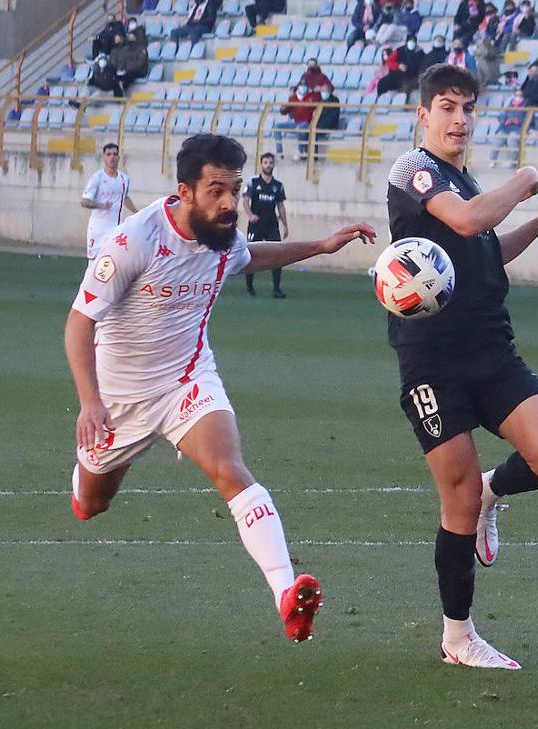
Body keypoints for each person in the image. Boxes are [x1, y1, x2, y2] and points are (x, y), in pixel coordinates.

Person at [65, 133, 375, 643]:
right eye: (216, 190)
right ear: (185, 191)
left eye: (235, 188)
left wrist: (319, 246)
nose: (230, 202)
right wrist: (90, 402)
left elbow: (252, 257)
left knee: (230, 470)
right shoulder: (131, 242)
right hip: (120, 397)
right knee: (93, 503)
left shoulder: (224, 236)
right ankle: (82, 480)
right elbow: (79, 324)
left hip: (188, 379)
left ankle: (285, 593)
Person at [386, 64, 538, 669]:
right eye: (447, 106)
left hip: (492, 348)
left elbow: (486, 247)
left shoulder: (466, 180)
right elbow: (468, 222)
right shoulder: (412, 173)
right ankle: (458, 638)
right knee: (456, 498)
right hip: (432, 362)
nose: (459, 119)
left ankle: (497, 491)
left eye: (467, 108)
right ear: (423, 113)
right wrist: (523, 180)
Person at [242, 152, 290, 298]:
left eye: (270, 162)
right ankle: (250, 287)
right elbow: (245, 201)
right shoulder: (253, 182)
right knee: (250, 255)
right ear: (261, 164)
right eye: (265, 162)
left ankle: (276, 289)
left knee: (278, 255)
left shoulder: (278, 185)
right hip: (256, 225)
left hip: (271, 225)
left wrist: (285, 224)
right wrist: (250, 215)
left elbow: (280, 206)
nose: (268, 165)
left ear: (273, 165)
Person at [81, 144, 138, 260]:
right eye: (109, 154)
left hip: (116, 229)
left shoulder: (124, 179)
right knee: (94, 264)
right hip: (98, 229)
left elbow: (124, 197)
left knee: (114, 262)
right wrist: (102, 205)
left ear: (118, 157)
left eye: (115, 154)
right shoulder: (97, 178)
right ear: (104, 157)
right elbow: (84, 201)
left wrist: (137, 212)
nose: (112, 157)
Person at [274, 85, 318, 159]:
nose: (303, 88)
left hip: (306, 123)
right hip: (296, 122)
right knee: (277, 126)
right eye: (301, 86)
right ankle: (279, 153)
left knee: (300, 128)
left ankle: (300, 151)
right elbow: (284, 111)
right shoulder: (293, 98)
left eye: (304, 86)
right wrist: (283, 108)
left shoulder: (312, 97)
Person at [491, 88, 527, 167]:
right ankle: (492, 160)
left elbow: (527, 120)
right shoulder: (509, 105)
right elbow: (501, 116)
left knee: (512, 140)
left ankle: (512, 162)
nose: (518, 97)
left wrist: (516, 121)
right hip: (505, 128)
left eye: (520, 95)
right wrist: (505, 121)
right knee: (497, 139)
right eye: (516, 95)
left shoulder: (526, 106)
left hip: (517, 129)